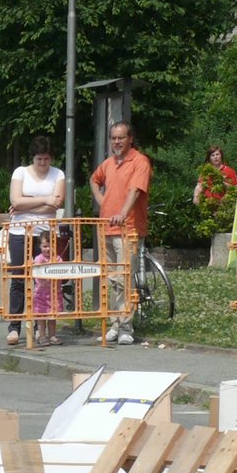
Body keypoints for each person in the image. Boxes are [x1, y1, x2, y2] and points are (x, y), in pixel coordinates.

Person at [89, 121, 152, 345]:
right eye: (113, 138)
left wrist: (123, 214)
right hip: (106, 228)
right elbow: (94, 180)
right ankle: (115, 323)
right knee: (112, 279)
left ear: (130, 139)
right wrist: (102, 201)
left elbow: (135, 191)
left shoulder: (140, 161)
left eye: (121, 138)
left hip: (129, 229)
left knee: (125, 278)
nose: (116, 142)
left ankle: (127, 327)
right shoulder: (108, 164)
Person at [5, 136, 67, 346]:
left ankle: (45, 329)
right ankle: (14, 327)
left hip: (46, 233)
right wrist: (44, 199)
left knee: (46, 280)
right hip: (20, 232)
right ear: (33, 158)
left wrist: (26, 205)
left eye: (46, 159)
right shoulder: (20, 172)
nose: (43, 164)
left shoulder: (58, 174)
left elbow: (55, 204)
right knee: (19, 277)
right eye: (39, 159)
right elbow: (15, 200)